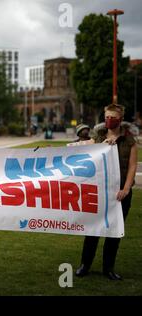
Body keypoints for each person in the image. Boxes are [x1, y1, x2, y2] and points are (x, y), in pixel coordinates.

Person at [75, 103, 138, 281]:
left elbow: (132, 166)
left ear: (120, 119)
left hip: (120, 194)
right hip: (99, 192)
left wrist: (126, 189)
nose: (109, 120)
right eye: (107, 117)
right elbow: (85, 152)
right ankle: (84, 265)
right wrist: (102, 146)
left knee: (114, 232)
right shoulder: (98, 137)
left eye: (113, 117)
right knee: (93, 230)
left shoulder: (129, 140)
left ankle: (108, 268)